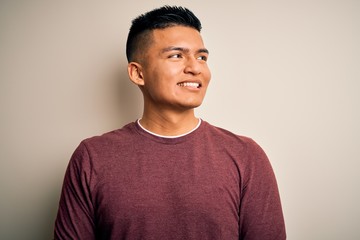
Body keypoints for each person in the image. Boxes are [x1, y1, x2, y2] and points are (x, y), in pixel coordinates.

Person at [54, 5, 286, 240]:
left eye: (202, 57)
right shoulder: (92, 157)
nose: (195, 68)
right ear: (138, 73)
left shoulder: (246, 156)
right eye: (176, 55)